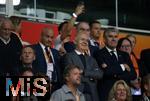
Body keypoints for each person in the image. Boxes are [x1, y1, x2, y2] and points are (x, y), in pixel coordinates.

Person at [94, 27, 136, 101]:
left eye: (116, 37)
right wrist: (122, 66)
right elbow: (106, 72)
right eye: (110, 36)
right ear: (104, 39)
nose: (113, 39)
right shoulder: (98, 54)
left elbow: (133, 74)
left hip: (124, 97)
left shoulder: (124, 55)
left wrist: (115, 74)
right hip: (106, 96)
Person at [62, 31, 103, 101]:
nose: (85, 42)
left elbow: (99, 74)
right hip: (76, 93)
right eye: (82, 39)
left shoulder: (92, 59)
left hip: (92, 95)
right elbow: (71, 75)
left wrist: (84, 72)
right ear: (75, 41)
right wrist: (91, 78)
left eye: (87, 40)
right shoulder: (69, 56)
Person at [32, 27, 61, 93]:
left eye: (51, 37)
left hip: (55, 87)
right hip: (40, 85)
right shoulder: (33, 49)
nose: (50, 40)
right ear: (41, 36)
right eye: (47, 37)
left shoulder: (55, 52)